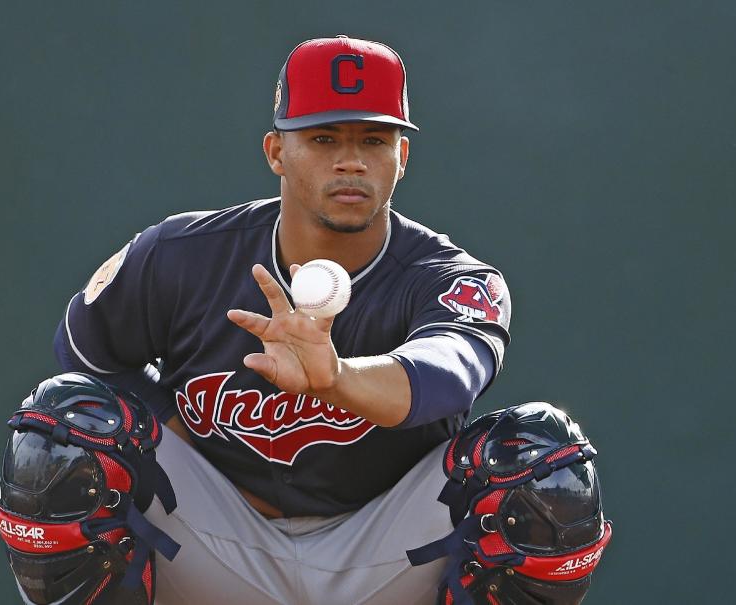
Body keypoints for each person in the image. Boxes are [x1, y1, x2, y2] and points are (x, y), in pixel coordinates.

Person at [52, 36, 511, 604]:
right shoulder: (181, 253)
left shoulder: (451, 278)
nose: (351, 160)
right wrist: (165, 421)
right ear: (275, 151)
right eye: (323, 139)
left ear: (403, 157)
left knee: (536, 460)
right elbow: (87, 354)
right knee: (62, 425)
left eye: (374, 139)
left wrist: (336, 378)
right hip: (212, 535)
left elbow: (445, 377)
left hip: (384, 546)